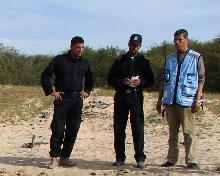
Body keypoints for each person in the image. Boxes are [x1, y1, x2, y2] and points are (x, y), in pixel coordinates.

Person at [40, 36, 94, 168]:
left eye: (82, 47)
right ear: (71, 47)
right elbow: (45, 75)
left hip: (77, 100)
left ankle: (65, 157)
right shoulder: (59, 60)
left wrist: (87, 91)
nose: (80, 50)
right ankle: (54, 157)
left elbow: (90, 79)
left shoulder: (84, 63)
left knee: (73, 129)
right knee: (58, 128)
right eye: (77, 47)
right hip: (62, 99)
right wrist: (51, 91)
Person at [156, 29, 205, 169]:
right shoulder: (169, 58)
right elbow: (164, 80)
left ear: (186, 40)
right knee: (172, 132)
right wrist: (160, 100)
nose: (177, 43)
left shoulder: (196, 58)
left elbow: (201, 79)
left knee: (189, 131)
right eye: (175, 40)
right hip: (170, 100)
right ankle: (171, 159)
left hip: (187, 100)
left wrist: (198, 99)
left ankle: (191, 160)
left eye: (180, 40)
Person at [107, 34, 155, 168]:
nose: (133, 47)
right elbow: (110, 78)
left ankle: (140, 158)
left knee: (138, 127)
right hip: (121, 96)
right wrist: (121, 81)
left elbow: (151, 80)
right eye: (132, 44)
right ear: (128, 44)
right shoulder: (120, 60)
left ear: (140, 46)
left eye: (136, 45)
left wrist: (141, 82)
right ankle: (119, 157)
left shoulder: (144, 61)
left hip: (136, 97)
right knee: (119, 128)